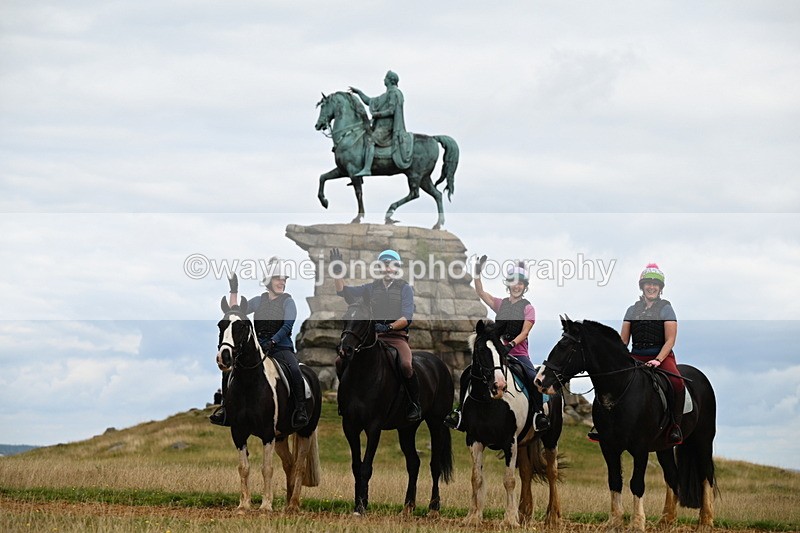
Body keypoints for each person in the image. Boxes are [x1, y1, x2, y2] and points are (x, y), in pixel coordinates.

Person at [444, 256, 550, 433]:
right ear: (508, 284)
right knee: (467, 375)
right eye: (513, 282)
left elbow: (525, 332)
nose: (517, 286)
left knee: (533, 379)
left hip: (518, 354)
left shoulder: (528, 308)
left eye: (520, 284)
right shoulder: (501, 304)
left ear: (524, 287)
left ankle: (539, 415)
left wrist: (510, 345)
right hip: (497, 354)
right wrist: (477, 274)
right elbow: (481, 293)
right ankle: (460, 413)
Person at [587, 263, 683, 444]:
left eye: (655, 284)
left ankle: (674, 426)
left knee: (677, 383)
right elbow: (623, 341)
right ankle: (601, 425)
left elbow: (670, 340)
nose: (651, 287)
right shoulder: (632, 310)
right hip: (635, 357)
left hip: (661, 357)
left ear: (660, 288)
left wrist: (658, 360)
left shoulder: (666, 309)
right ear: (642, 286)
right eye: (648, 283)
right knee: (608, 381)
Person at [210, 260, 309, 429]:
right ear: (269, 281)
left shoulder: (288, 302)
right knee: (229, 372)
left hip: (281, 349)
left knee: (294, 370)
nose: (282, 282)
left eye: (284, 279)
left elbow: (287, 326)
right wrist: (234, 289)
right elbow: (235, 311)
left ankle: (300, 409)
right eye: (278, 279)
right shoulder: (258, 301)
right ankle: (226, 409)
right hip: (259, 350)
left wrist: (273, 341)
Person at [329, 247, 421, 422]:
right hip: (373, 339)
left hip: (396, 337)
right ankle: (345, 399)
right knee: (340, 361)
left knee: (407, 365)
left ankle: (413, 403)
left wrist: (389, 328)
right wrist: (337, 271)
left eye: (391, 265)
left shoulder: (405, 289)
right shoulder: (370, 288)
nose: (387, 268)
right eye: (384, 264)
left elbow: (407, 317)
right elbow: (343, 292)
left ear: (397, 268)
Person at [349, 70, 412, 176]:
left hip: (387, 127)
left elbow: (391, 110)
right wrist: (359, 92)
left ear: (390, 80)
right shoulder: (386, 94)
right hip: (380, 126)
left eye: (386, 78)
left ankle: (367, 169)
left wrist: (378, 114)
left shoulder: (394, 93)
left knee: (370, 140)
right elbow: (369, 101)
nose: (384, 79)